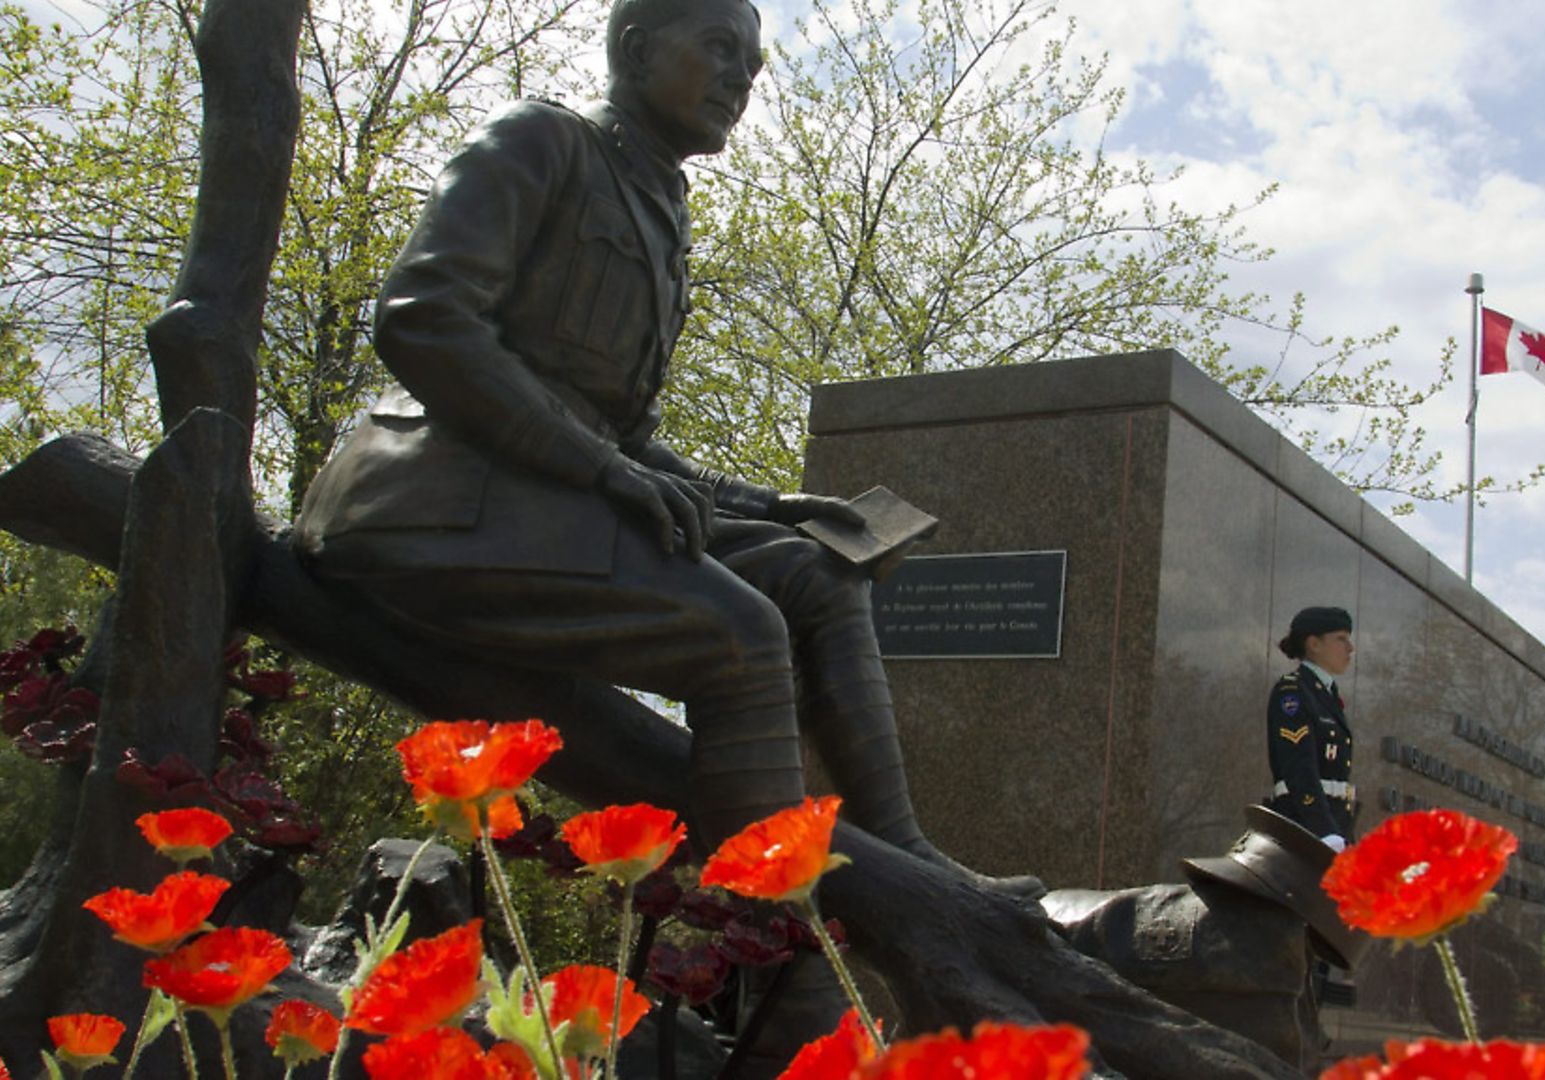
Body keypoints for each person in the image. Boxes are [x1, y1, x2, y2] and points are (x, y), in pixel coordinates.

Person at [291, 0, 1035, 894]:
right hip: (441, 499)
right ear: (637, 50)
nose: (741, 80)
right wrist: (602, 468)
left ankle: (908, 856)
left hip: (555, 495)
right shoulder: (540, 141)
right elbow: (424, 319)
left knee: (817, 577)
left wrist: (767, 507)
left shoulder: (661, 204)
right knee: (741, 633)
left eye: (753, 67)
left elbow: (624, 431)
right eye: (720, 49)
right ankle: (766, 974)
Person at [1266, 607, 1357, 850]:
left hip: (1333, 827)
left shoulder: (1327, 695)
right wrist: (1324, 831)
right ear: (1314, 644)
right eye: (1341, 639)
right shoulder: (1294, 692)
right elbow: (1299, 767)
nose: (1350, 648)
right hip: (1303, 828)